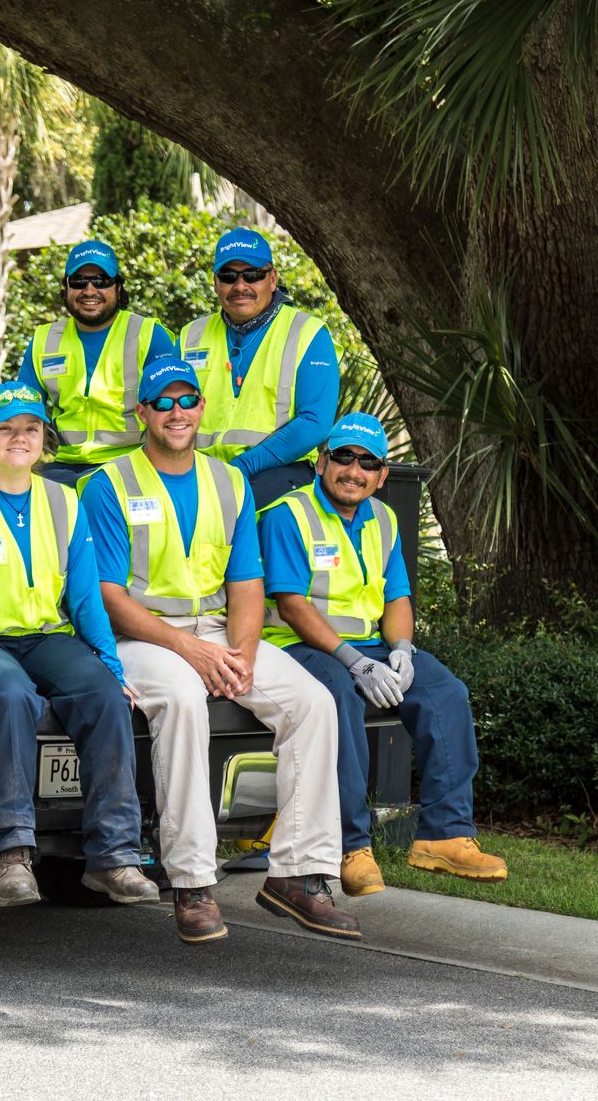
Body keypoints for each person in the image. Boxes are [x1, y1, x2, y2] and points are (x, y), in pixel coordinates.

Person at [82, 358, 359, 943]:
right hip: (141, 636)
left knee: (312, 703)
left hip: (213, 631)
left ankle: (298, 875)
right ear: (144, 414)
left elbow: (247, 584)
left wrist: (244, 654)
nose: (177, 412)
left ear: (202, 409)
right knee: (183, 700)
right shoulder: (107, 484)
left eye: (187, 401)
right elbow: (106, 595)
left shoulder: (228, 481)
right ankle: (192, 883)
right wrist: (191, 651)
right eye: (163, 403)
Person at [0, 381, 158, 908]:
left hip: (46, 637)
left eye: (30, 428)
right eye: (5, 428)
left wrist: (111, 665)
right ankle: (10, 856)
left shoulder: (64, 501)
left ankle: (114, 858)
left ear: (43, 438)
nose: (18, 438)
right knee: (10, 696)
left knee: (103, 694)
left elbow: (85, 597)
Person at [259, 411, 508, 899]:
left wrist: (400, 649)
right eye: (344, 457)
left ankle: (444, 835)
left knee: (445, 693)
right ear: (321, 462)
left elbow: (396, 599)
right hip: (300, 645)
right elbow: (290, 604)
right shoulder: (289, 514)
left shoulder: (384, 518)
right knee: (338, 701)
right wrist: (354, 661)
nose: (354, 470)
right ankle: (350, 846)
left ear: (381, 475)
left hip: (372, 645)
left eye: (367, 462)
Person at [178, 228, 341, 508]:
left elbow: (315, 422)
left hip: (279, 472)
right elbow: (166, 409)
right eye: (229, 277)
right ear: (216, 283)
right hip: (199, 473)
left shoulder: (307, 333)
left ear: (273, 279)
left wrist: (247, 464)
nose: (240, 286)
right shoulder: (190, 335)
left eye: (252, 275)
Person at [15, 239, 181, 484]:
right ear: (66, 288)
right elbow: (22, 413)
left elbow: (173, 412)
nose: (89, 291)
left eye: (101, 281)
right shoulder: (44, 339)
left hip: (133, 465)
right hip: (65, 468)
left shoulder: (148, 335)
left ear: (118, 288)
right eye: (79, 281)